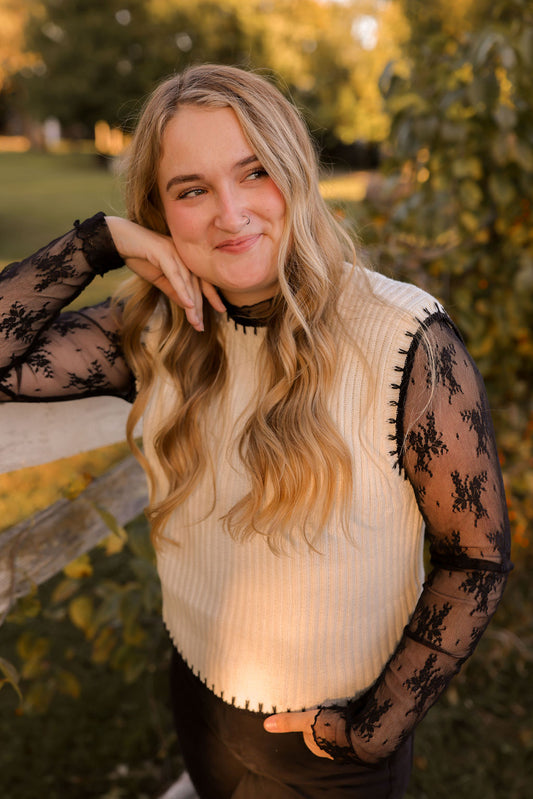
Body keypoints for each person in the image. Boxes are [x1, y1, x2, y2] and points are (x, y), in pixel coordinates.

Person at [0, 65, 511, 798]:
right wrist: (98, 241)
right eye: (191, 189)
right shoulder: (148, 328)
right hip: (200, 701)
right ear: (159, 211)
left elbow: (475, 559)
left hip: (325, 759)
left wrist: (367, 733)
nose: (230, 212)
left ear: (294, 174)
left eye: (254, 171)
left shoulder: (404, 338)